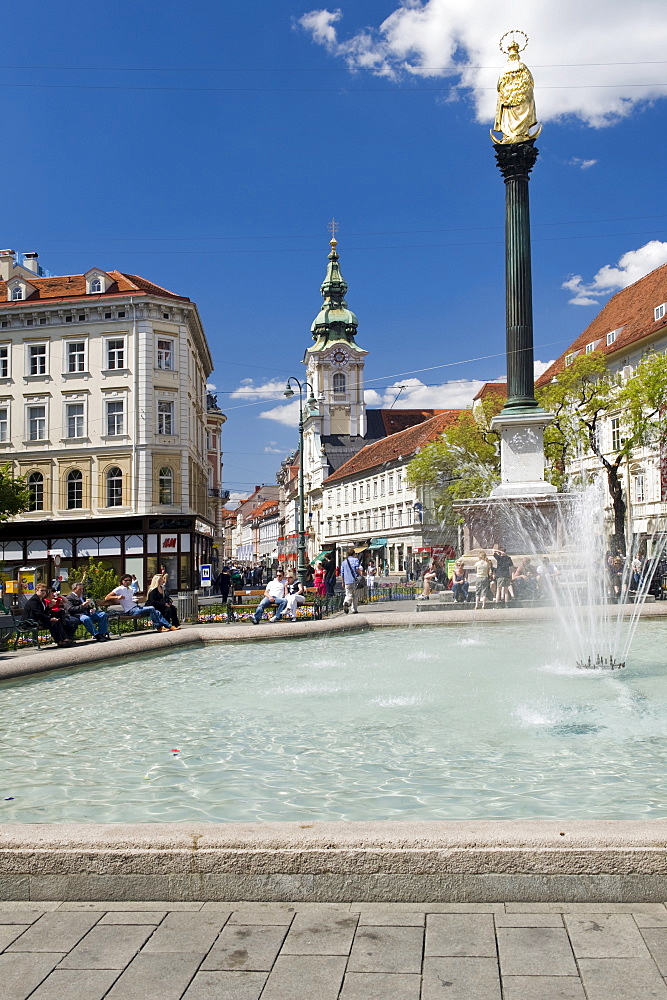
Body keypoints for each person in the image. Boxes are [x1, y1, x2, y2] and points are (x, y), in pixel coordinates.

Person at [104, 574, 172, 631]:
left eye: (129, 580)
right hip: (131, 610)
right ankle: (159, 627)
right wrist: (117, 597)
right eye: (126, 580)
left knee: (157, 612)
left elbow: (130, 599)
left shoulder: (130, 589)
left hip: (136, 607)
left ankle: (169, 626)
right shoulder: (119, 589)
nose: (128, 582)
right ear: (122, 581)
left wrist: (135, 599)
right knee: (151, 608)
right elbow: (107, 597)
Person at [340, 547, 362, 614]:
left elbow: (342, 573)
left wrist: (343, 582)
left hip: (347, 581)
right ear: (354, 554)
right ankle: (354, 609)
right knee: (355, 595)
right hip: (355, 580)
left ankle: (346, 602)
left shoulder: (344, 562)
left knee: (348, 594)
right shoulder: (355, 560)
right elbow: (357, 569)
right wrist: (360, 575)